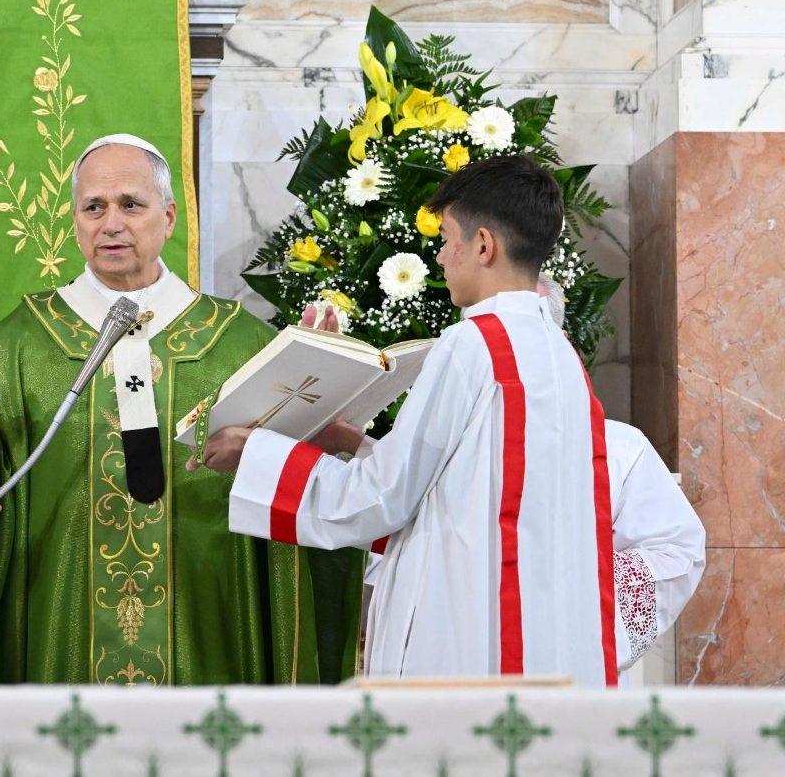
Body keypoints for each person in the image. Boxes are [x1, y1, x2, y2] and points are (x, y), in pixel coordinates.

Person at [203, 155, 689, 687]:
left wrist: (258, 456)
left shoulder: (472, 343)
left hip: (466, 638)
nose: (439, 257)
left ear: (483, 245)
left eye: (446, 239)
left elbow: (383, 498)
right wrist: (352, 441)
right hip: (523, 636)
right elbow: (466, 492)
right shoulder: (557, 352)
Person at [0, 134, 361, 685]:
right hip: (59, 618)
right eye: (93, 207)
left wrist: (321, 372)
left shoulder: (242, 345)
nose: (111, 223)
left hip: (209, 614)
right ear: (74, 221)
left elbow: (315, 471)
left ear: (168, 218)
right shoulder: (15, 347)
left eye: (131, 204)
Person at [357, 278, 704, 681]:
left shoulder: (621, 448)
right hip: (461, 665)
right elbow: (391, 526)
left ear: (558, 341)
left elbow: (678, 551)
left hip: (568, 675)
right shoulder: (445, 442)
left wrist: (572, 597)